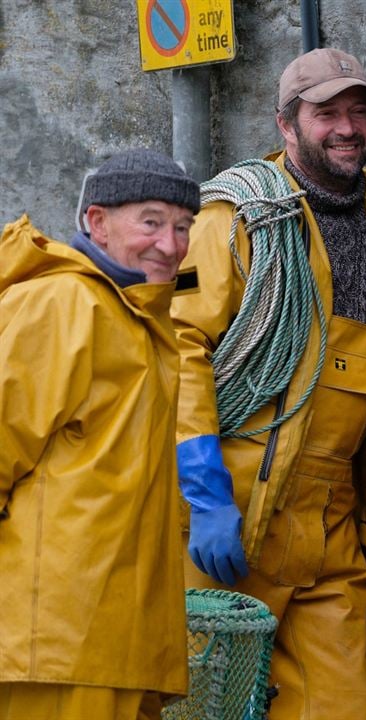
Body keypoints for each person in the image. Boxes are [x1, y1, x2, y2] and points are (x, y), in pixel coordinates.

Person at [171, 48, 366, 720]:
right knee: (200, 707)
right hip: (236, 513)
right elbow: (180, 346)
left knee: (345, 705)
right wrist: (201, 491)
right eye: (325, 114)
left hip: (333, 523)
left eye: (356, 112)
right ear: (285, 125)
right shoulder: (233, 218)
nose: (346, 127)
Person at [0, 149, 200, 720]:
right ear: (96, 222)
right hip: (57, 645)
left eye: (184, 226)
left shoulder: (137, 318)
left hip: (116, 645)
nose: (171, 244)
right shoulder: (62, 301)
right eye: (152, 221)